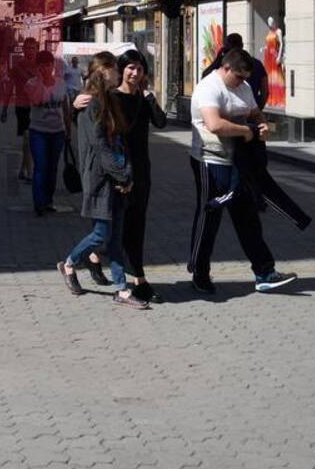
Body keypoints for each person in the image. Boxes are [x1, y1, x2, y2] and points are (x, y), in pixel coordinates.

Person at [188, 48, 297, 293]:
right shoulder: (209, 88)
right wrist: (245, 131)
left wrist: (261, 124)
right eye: (238, 76)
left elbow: (255, 111)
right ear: (226, 69)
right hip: (211, 161)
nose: (241, 82)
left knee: (248, 217)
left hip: (239, 162)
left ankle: (264, 272)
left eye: (245, 78)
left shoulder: (243, 87)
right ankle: (199, 272)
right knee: (209, 217)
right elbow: (214, 124)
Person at [56, 54, 147, 310]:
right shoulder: (92, 104)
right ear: (104, 70)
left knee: (114, 238)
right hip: (100, 177)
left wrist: (125, 174)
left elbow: (119, 140)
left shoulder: (109, 100)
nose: (119, 73)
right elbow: (100, 146)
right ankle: (70, 263)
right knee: (101, 234)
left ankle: (122, 289)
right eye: (115, 69)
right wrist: (122, 175)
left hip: (116, 175)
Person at [80, 48, 168, 303]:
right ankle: (131, 276)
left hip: (141, 170)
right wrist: (76, 104)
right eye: (130, 68)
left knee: (136, 224)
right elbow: (90, 122)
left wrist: (151, 98)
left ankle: (111, 265)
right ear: (121, 70)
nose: (134, 72)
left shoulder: (143, 97)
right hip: (118, 170)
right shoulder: (111, 98)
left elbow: (161, 123)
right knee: (116, 227)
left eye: (139, 69)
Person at [23, 49, 69, 216]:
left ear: (53, 65)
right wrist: (41, 81)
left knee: (52, 167)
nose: (45, 68)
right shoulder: (31, 84)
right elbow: (37, 100)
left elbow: (65, 107)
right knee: (41, 167)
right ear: (37, 67)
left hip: (58, 131)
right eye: (41, 66)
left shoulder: (61, 83)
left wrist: (69, 129)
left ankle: (49, 200)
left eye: (48, 65)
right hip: (39, 132)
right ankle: (39, 203)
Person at [201, 32, 267, 109]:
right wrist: (258, 108)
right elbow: (265, 91)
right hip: (247, 109)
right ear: (242, 45)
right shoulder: (257, 63)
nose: (241, 82)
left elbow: (205, 76)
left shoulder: (222, 65)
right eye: (238, 77)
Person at [4, 38, 39, 181]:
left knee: (30, 140)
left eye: (33, 48)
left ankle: (22, 169)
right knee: (27, 138)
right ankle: (30, 173)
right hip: (22, 106)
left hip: (37, 106)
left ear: (37, 49)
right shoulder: (17, 66)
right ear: (23, 49)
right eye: (28, 48)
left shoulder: (41, 66)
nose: (30, 51)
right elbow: (10, 88)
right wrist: (4, 109)